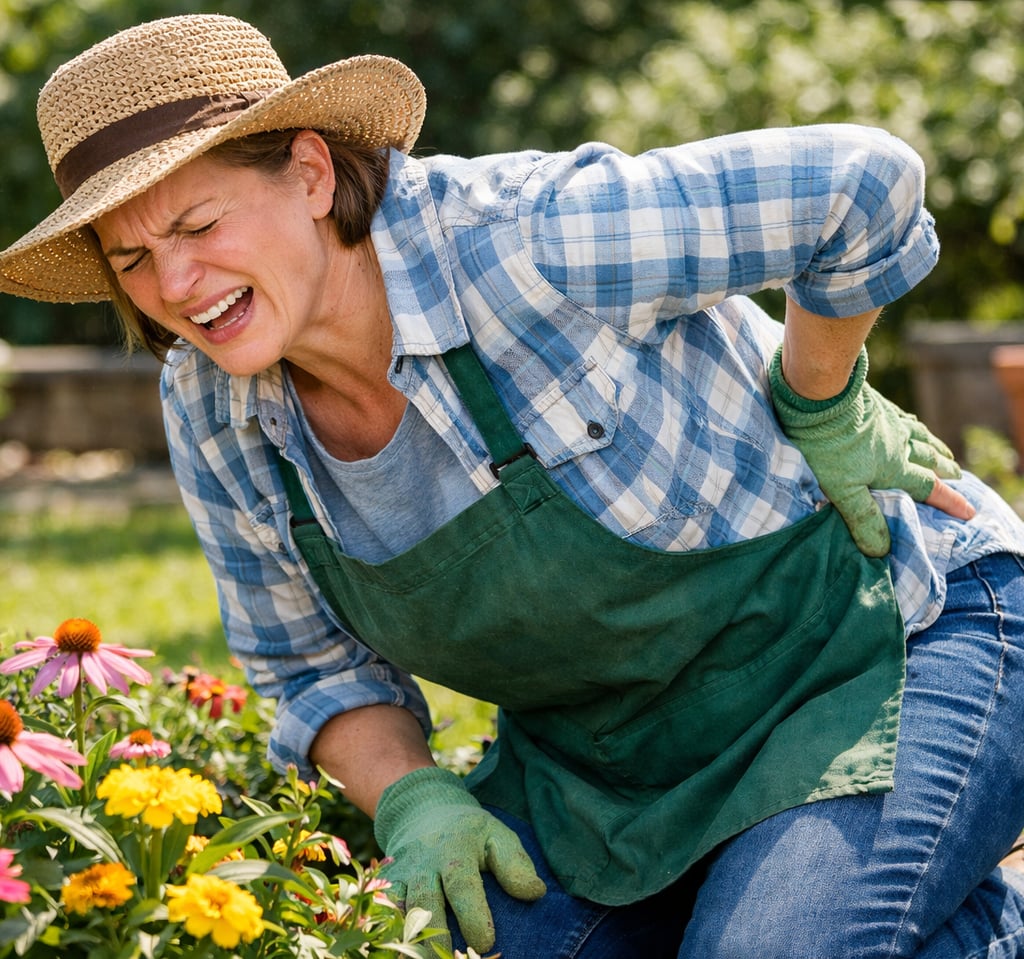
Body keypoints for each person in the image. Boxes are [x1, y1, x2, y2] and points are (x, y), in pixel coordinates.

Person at [3, 14, 1024, 958]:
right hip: (609, 761)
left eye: (197, 225)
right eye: (132, 258)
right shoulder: (215, 409)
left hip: (888, 642)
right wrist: (411, 796)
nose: (175, 286)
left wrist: (821, 397)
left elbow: (859, 179)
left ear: (311, 173)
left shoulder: (522, 242)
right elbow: (314, 668)